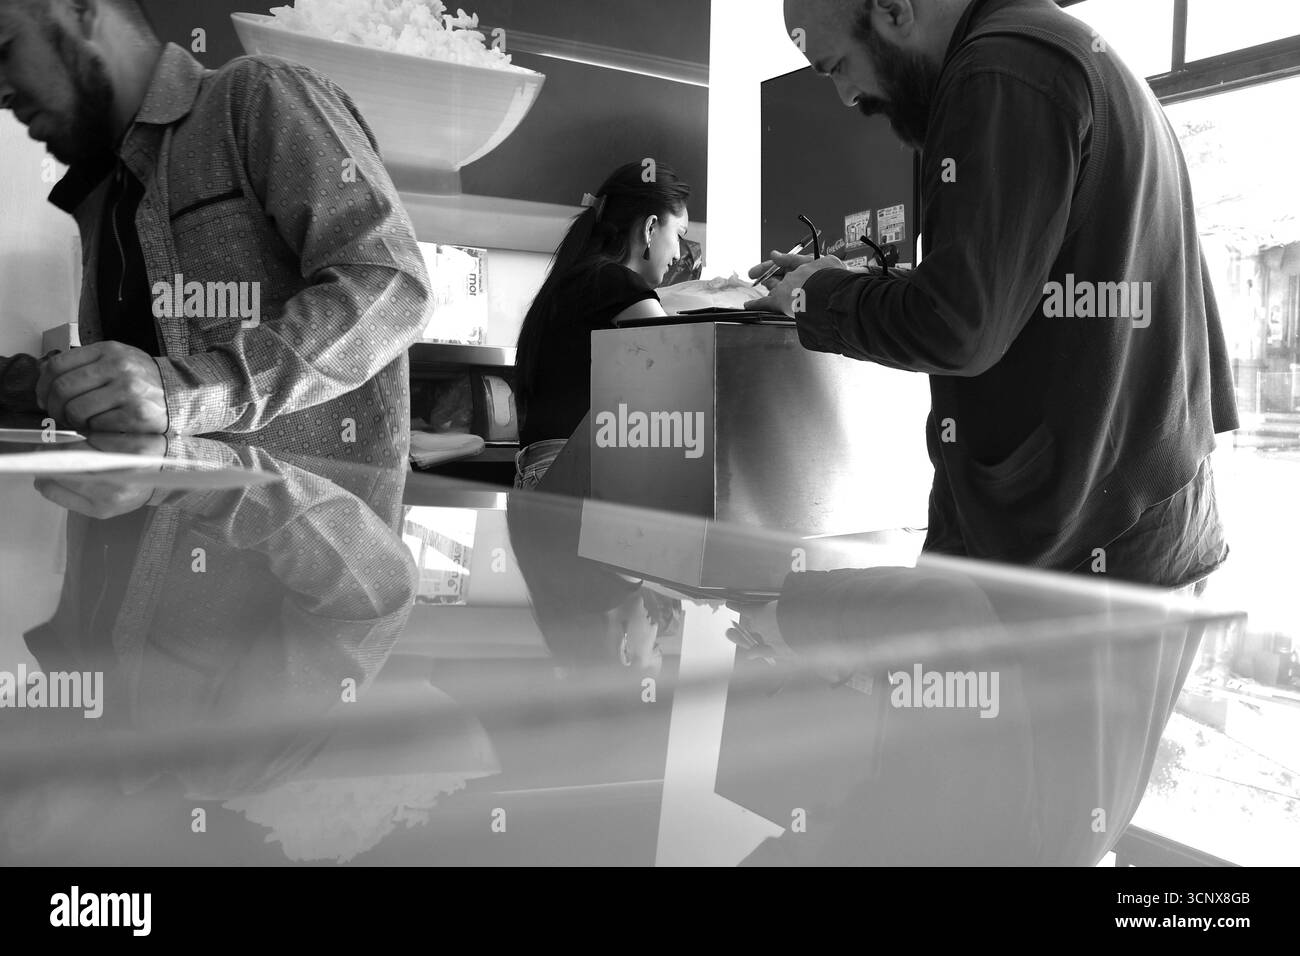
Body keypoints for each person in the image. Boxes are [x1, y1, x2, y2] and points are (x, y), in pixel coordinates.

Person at [748, 0, 1239, 590]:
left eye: (835, 67)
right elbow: (1013, 293)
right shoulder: (1045, 50)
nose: (847, 97)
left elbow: (957, 326)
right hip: (1137, 526)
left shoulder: (999, 72)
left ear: (893, 10)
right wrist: (840, 284)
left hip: (1088, 554)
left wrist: (817, 297)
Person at [0, 0, 430, 466]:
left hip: (315, 526)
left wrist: (186, 390)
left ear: (80, 9)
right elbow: (140, 385)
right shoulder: (104, 191)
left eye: (5, 48)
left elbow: (391, 286)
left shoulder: (257, 94)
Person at [513, 161, 691, 489]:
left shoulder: (580, 279)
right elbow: (687, 366)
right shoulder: (615, 283)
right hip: (570, 472)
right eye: (679, 235)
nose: (679, 253)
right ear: (651, 228)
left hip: (544, 471)